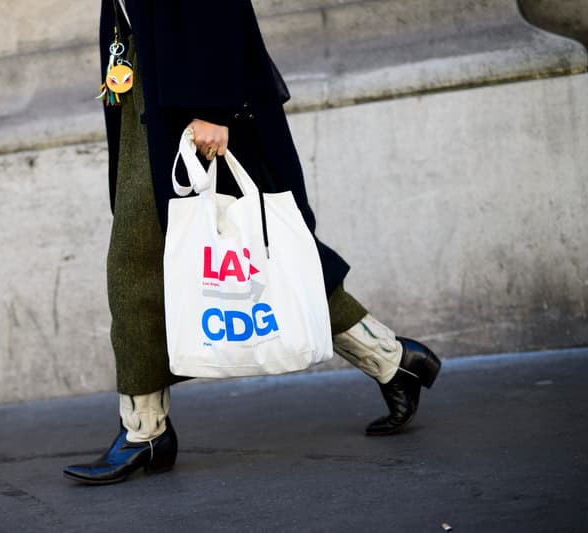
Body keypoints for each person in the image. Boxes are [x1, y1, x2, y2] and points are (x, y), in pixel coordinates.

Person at [63, 0, 441, 485]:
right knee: (248, 265)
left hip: (197, 101)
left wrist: (212, 107)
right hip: (152, 88)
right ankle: (392, 359)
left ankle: (145, 432)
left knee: (260, 263)